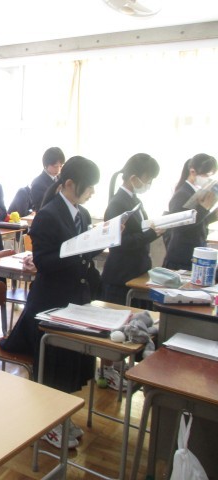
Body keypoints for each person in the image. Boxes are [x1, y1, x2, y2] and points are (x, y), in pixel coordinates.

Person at [0, 156, 101, 450]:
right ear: (69, 183)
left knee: (71, 363)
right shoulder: (48, 215)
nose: (92, 192)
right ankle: (46, 423)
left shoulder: (81, 213)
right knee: (54, 366)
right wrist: (78, 251)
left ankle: (59, 416)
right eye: (89, 187)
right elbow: (43, 262)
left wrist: (96, 244)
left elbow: (82, 254)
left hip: (75, 297)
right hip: (51, 301)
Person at [99, 153, 162, 390]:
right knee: (115, 328)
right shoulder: (117, 203)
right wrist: (152, 234)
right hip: (120, 273)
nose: (149, 184)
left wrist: (152, 228)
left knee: (131, 326)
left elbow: (138, 230)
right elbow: (120, 243)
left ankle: (120, 368)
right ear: (134, 178)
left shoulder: (133, 200)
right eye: (148, 179)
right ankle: (107, 371)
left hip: (135, 269)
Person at [163, 153, 218, 270]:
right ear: (193, 172)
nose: (208, 179)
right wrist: (203, 209)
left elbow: (199, 222)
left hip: (193, 251)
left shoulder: (195, 192)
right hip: (181, 255)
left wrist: (214, 215)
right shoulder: (182, 194)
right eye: (206, 175)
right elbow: (180, 226)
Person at [30, 147, 65, 212]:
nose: (58, 170)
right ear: (46, 165)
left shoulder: (61, 179)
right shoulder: (37, 184)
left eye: (61, 166)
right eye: (55, 166)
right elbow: (41, 208)